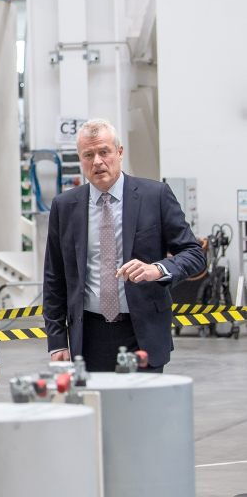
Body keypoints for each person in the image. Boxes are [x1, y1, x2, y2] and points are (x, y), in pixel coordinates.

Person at [44, 119, 205, 372]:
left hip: (142, 333)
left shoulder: (156, 196)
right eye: (88, 155)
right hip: (87, 337)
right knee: (96, 410)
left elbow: (194, 254)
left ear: (119, 153)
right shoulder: (65, 206)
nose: (97, 161)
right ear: (80, 159)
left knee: (142, 411)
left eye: (104, 152)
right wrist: (56, 342)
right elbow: (54, 277)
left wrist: (158, 269)